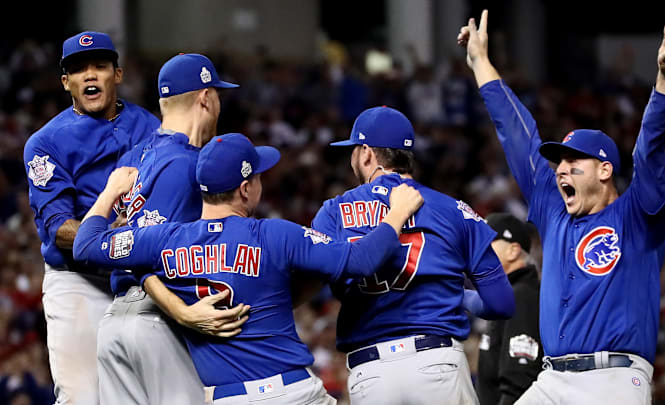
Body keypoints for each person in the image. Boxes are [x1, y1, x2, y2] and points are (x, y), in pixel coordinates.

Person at [73, 133, 425, 405]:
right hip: (294, 394)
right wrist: (396, 214)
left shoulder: (162, 241)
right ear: (245, 189)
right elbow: (362, 260)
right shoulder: (275, 235)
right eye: (257, 176)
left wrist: (110, 192)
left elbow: (85, 245)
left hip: (229, 398)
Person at [458, 11, 665, 404]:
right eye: (559, 162)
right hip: (551, 380)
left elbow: (650, 151)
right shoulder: (554, 211)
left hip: (613, 378)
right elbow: (516, 134)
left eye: (574, 161)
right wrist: (481, 63)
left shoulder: (637, 215)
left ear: (605, 170)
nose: (561, 169)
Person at [310, 106, 515, 405]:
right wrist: (458, 296)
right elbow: (501, 303)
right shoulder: (452, 209)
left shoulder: (332, 212)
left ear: (366, 153)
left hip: (371, 370)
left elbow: (317, 283)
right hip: (437, 362)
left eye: (353, 150)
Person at [97, 53, 249, 404]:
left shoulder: (134, 158)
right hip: (158, 319)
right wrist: (182, 311)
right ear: (205, 97)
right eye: (217, 94)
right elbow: (142, 256)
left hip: (116, 321)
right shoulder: (186, 164)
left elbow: (118, 239)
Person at [23, 31, 160, 404]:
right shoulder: (46, 142)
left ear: (118, 74)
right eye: (79, 69)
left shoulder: (152, 128)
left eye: (99, 66)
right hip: (80, 281)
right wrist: (108, 238)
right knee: (82, 397)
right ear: (65, 82)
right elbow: (59, 228)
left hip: (140, 277)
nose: (90, 75)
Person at [468, 213, 543, 405]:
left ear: (513, 251)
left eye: (487, 243)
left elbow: (518, 381)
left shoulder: (521, 296)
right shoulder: (505, 295)